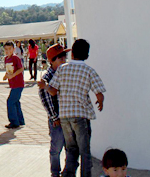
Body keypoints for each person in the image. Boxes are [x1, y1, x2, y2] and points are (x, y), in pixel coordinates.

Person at [47, 39, 106, 177]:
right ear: (87, 55)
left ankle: (68, 174)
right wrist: (100, 102)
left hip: (64, 116)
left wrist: (45, 86)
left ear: (72, 53)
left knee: (71, 149)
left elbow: (53, 91)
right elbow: (99, 94)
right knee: (84, 151)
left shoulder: (62, 69)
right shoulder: (89, 71)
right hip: (81, 116)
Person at [38, 44, 71, 177]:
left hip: (68, 117)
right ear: (52, 61)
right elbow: (46, 100)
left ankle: (68, 171)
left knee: (70, 147)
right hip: (57, 120)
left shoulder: (65, 74)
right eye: (61, 59)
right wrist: (54, 117)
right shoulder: (47, 77)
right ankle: (55, 172)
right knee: (56, 148)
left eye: (64, 58)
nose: (64, 61)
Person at [3, 41, 24, 128]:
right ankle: (20, 120)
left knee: (10, 101)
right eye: (6, 49)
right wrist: (5, 76)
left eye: (10, 49)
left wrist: (13, 75)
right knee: (15, 102)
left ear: (13, 49)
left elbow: (21, 69)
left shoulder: (16, 58)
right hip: (13, 84)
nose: (8, 51)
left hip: (18, 83)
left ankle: (14, 121)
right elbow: (8, 70)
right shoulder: (6, 59)